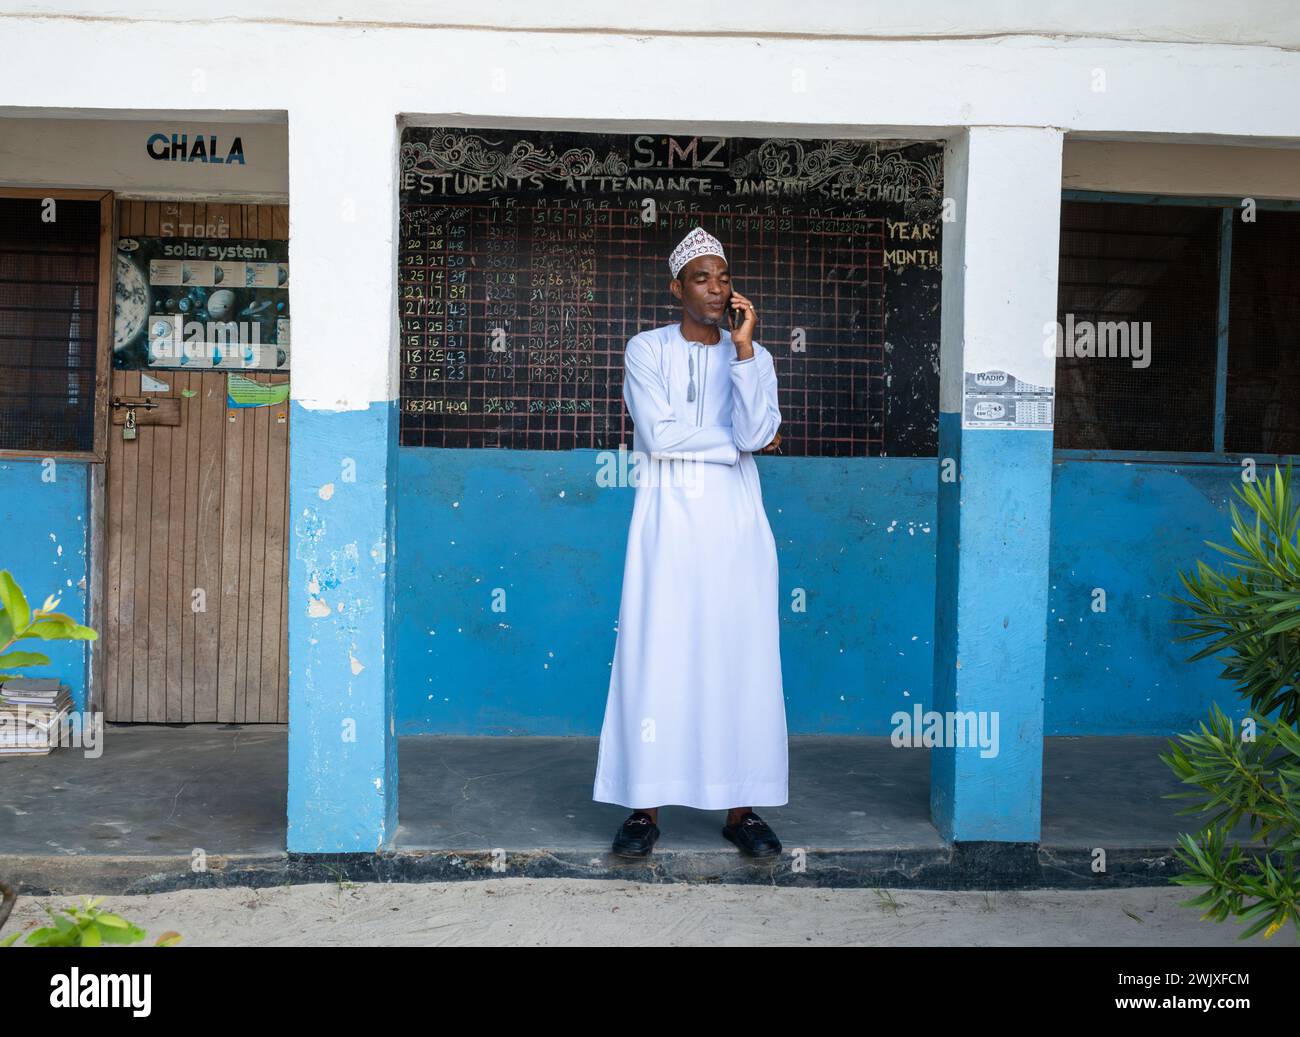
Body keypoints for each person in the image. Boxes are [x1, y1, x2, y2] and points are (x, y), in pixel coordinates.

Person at [592, 226, 788, 859]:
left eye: (723, 277)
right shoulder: (646, 348)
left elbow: (758, 426)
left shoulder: (751, 357)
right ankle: (644, 807)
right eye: (701, 278)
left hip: (735, 526)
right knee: (658, 654)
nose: (715, 288)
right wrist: (736, 445)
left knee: (741, 656)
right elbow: (659, 439)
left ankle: (741, 809)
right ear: (677, 287)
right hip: (666, 524)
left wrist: (745, 352)